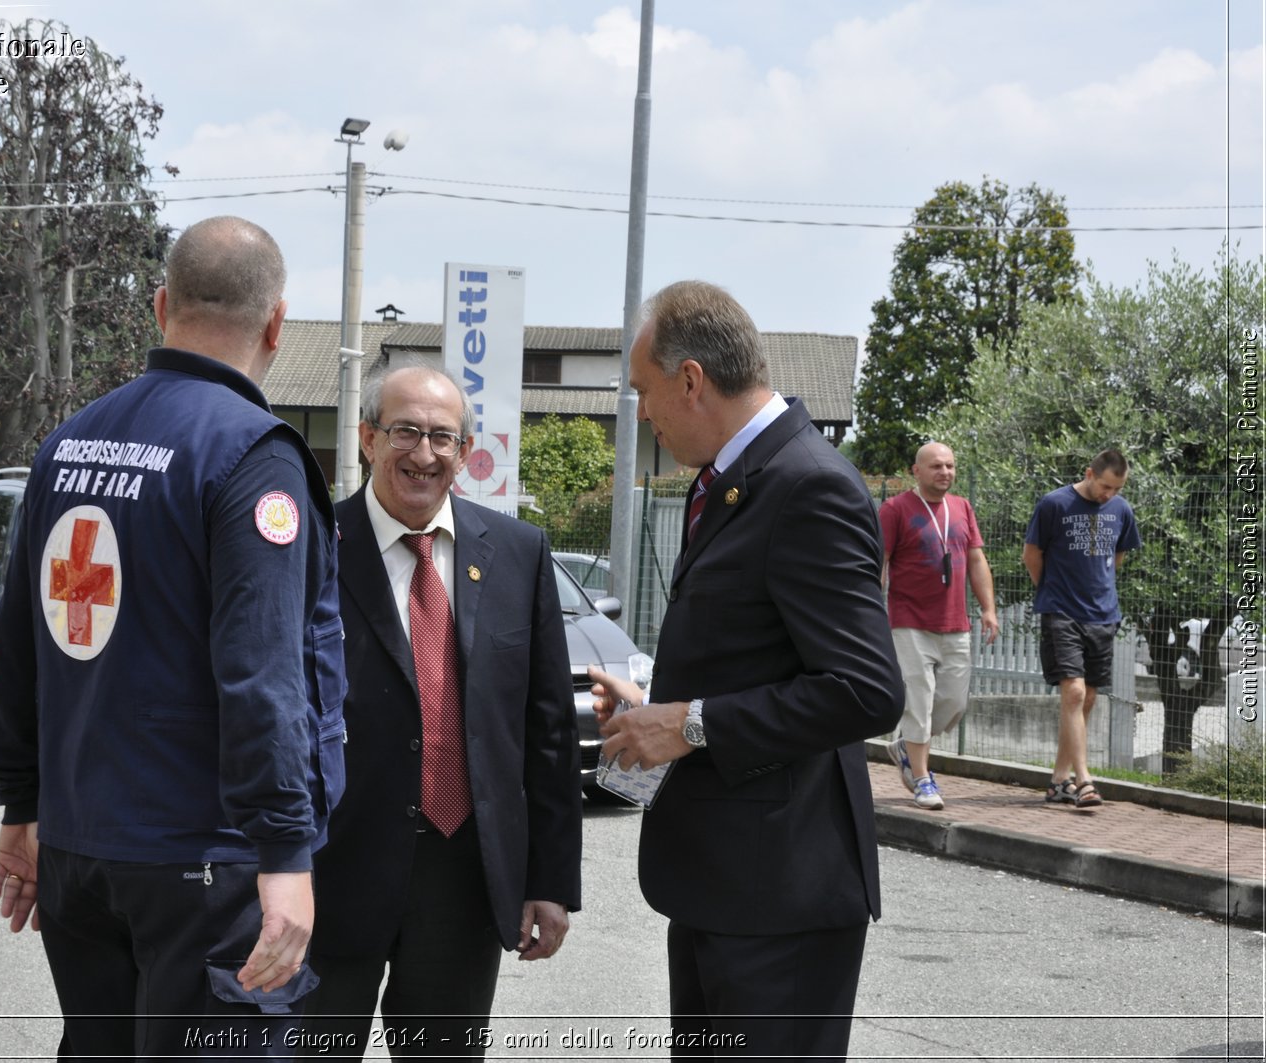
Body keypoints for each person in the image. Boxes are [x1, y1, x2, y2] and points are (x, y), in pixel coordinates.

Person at [0, 216, 345, 1059]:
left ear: (159, 306)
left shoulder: (66, 446)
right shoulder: (253, 454)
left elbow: (22, 642)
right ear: (277, 325)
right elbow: (263, 674)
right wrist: (287, 851)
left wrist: (23, 800)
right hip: (205, 862)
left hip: (78, 848)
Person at [586, 281, 902, 1062]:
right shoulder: (734, 477)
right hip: (730, 883)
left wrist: (691, 723)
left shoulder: (807, 483)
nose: (644, 413)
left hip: (780, 898)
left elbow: (866, 688)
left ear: (691, 380)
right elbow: (759, 649)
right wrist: (655, 703)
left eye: (644, 392)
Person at [299, 366, 582, 1059]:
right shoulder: (311, 547)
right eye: (404, 432)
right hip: (330, 876)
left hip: (462, 879)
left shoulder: (518, 553)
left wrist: (549, 882)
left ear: (465, 449)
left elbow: (548, 729)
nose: (423, 453)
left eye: (441, 437)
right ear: (367, 438)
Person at [880, 442, 999, 811]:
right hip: (909, 622)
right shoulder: (895, 509)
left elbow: (976, 560)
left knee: (951, 704)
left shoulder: (962, 507)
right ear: (916, 471)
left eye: (949, 466)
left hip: (955, 624)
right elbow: (878, 563)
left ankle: (905, 746)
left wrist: (989, 609)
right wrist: (870, 612)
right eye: (936, 466)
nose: (944, 472)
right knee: (918, 701)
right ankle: (922, 779)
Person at [1023, 449, 1140, 810]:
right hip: (1061, 611)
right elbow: (1032, 555)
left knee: (1086, 698)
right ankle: (1084, 780)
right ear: (1089, 473)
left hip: (1103, 615)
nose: (1110, 494)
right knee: (1072, 692)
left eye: (1117, 489)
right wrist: (1054, 591)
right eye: (1105, 486)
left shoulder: (1121, 510)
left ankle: (1059, 780)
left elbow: (1116, 558)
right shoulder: (1054, 504)